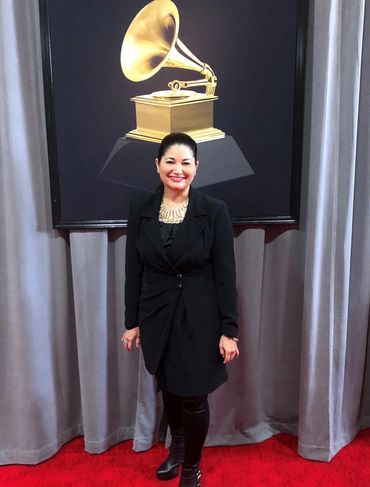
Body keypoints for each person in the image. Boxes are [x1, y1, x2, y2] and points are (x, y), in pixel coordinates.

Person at [121, 132, 239, 487]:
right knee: (169, 387)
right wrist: (133, 322)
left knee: (192, 392)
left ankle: (192, 465)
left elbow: (225, 274)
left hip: (199, 318)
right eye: (170, 161)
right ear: (157, 165)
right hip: (157, 315)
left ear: (196, 168)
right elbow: (134, 270)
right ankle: (177, 449)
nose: (178, 169)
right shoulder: (139, 210)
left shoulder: (214, 211)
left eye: (186, 162)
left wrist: (228, 329)